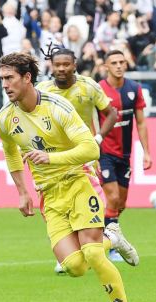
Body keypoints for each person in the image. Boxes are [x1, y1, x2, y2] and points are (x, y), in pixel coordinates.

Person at [0, 52, 139, 302]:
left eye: (10, 78)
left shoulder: (57, 106)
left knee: (93, 253)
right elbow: (11, 151)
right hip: (49, 195)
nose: (5, 85)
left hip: (78, 181)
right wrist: (23, 191)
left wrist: (52, 159)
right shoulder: (5, 118)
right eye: (2, 79)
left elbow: (91, 149)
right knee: (73, 266)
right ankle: (114, 236)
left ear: (26, 78)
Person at [35, 45, 120, 269]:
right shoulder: (43, 91)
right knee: (53, 208)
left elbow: (111, 113)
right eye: (57, 65)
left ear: (75, 65)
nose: (61, 69)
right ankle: (73, 250)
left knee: (86, 203)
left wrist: (99, 138)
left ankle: (98, 243)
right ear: (51, 66)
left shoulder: (88, 86)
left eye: (66, 64)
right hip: (53, 158)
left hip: (83, 156)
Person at [97, 49, 152, 248]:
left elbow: (141, 123)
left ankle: (105, 234)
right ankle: (110, 245)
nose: (119, 66)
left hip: (125, 154)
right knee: (111, 197)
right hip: (104, 153)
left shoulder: (134, 88)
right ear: (106, 67)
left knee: (120, 203)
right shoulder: (98, 89)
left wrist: (146, 152)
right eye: (114, 63)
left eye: (122, 62)